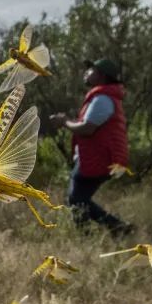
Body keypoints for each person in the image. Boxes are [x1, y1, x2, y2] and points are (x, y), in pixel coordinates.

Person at [49, 58, 132, 234]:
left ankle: (113, 229)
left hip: (100, 158)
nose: (86, 73)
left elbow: (87, 129)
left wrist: (64, 122)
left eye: (91, 70)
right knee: (78, 199)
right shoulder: (103, 97)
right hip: (98, 157)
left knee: (77, 199)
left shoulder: (103, 99)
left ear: (101, 76)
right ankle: (115, 229)